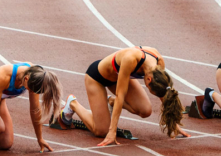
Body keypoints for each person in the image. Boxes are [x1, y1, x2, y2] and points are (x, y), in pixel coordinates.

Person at [59, 46, 190, 146]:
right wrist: (112, 132)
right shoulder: (130, 59)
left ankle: (111, 102)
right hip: (97, 78)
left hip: (119, 77)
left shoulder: (159, 64)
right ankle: (72, 104)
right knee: (101, 131)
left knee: (145, 111)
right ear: (149, 80)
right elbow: (120, 95)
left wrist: (174, 123)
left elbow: (163, 92)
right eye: (150, 90)